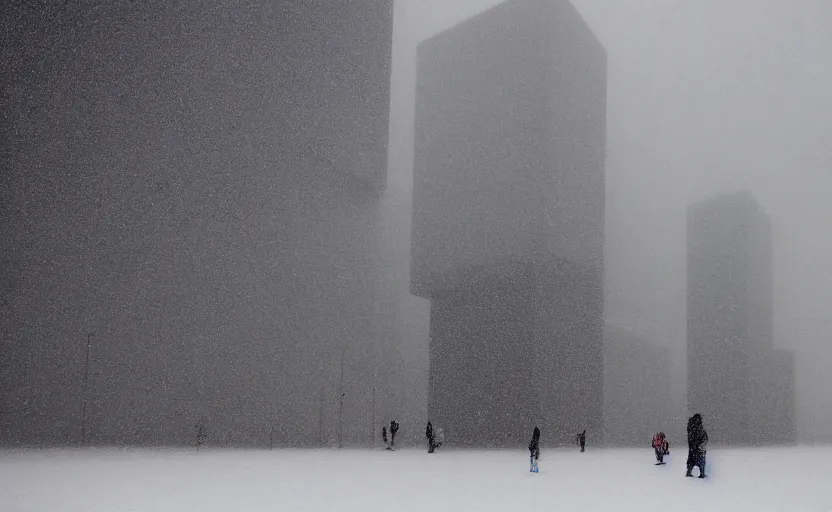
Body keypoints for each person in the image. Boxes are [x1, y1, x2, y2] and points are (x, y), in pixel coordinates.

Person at [686, 413, 708, 478]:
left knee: (691, 459)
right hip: (699, 447)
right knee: (701, 460)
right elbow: (703, 436)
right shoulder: (699, 427)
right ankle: (702, 474)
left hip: (692, 447)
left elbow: (691, 437)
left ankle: (688, 472)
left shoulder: (690, 426)